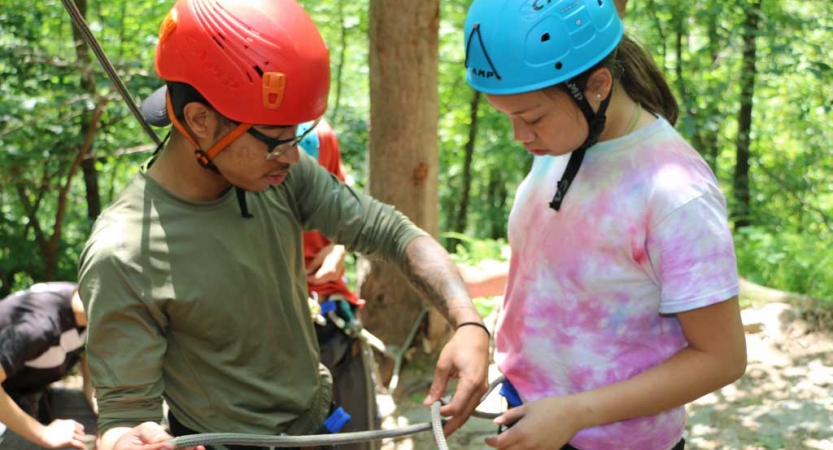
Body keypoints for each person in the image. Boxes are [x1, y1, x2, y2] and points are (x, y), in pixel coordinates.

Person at [77, 1, 490, 450]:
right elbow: (124, 417)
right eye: (276, 141)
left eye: (296, 135)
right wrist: (127, 441)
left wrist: (468, 323)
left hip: (321, 423)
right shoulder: (124, 253)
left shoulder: (276, 174)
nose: (293, 156)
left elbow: (388, 231)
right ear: (200, 120)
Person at [462, 1, 747, 450]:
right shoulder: (563, 141)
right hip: (527, 413)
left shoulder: (675, 193)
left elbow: (722, 358)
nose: (519, 136)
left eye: (531, 117)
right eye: (507, 116)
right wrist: (475, 285)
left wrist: (577, 413)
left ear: (597, 85)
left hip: (611, 438)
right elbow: (578, 264)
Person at [298, 118, 380, 450]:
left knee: (354, 433)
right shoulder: (230, 135)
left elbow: (347, 213)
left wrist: (338, 248)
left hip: (331, 320)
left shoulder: (318, 134)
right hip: (265, 327)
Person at [0, 282, 92, 450]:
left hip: (30, 394)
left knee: (95, 428)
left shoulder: (87, 315)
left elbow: (91, 375)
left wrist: (106, 421)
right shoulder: (39, 325)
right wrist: (44, 434)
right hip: (6, 402)